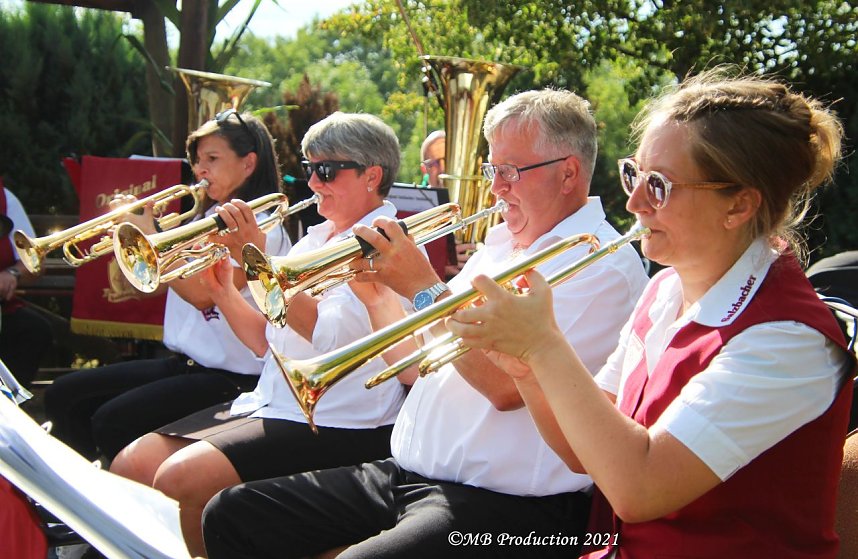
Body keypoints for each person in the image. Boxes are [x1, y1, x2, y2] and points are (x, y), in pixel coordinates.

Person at [202, 88, 650, 559]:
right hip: (410, 476)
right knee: (233, 514)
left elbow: (503, 389)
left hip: (510, 507)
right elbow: (418, 370)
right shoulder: (501, 245)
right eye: (491, 170)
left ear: (568, 174)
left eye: (510, 172)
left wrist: (423, 287)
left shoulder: (600, 264)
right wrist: (380, 300)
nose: (496, 187)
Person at [444, 70, 856, 557]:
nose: (634, 202)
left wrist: (541, 345)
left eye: (659, 185)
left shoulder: (786, 339)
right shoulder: (664, 288)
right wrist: (528, 372)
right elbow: (583, 454)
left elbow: (639, 487)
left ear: (739, 205)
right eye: (634, 174)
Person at [108, 112, 411, 557]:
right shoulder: (315, 239)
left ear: (373, 176)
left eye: (326, 171)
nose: (312, 183)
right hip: (274, 402)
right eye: (307, 169)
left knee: (178, 480)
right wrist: (222, 292)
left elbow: (330, 340)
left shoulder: (388, 245)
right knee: (131, 464)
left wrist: (257, 261)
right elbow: (262, 343)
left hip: (341, 421)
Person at [43, 110, 292, 461]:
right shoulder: (205, 217)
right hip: (184, 364)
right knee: (64, 395)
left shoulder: (261, 225)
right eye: (197, 160)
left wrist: (151, 236)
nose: (200, 169)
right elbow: (157, 286)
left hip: (229, 377)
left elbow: (203, 296)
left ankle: (120, 500)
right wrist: (132, 243)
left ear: (248, 164)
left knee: (112, 420)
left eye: (212, 159)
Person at [0, 179, 53, 389]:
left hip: (2, 311)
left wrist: (12, 273)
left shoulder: (5, 199)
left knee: (35, 331)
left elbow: (35, 262)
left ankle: (8, 410)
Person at [419, 129, 476, 279]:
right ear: (424, 169)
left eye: (449, 161)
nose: (444, 169)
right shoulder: (414, 211)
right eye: (435, 163)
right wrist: (438, 262)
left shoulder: (478, 203)